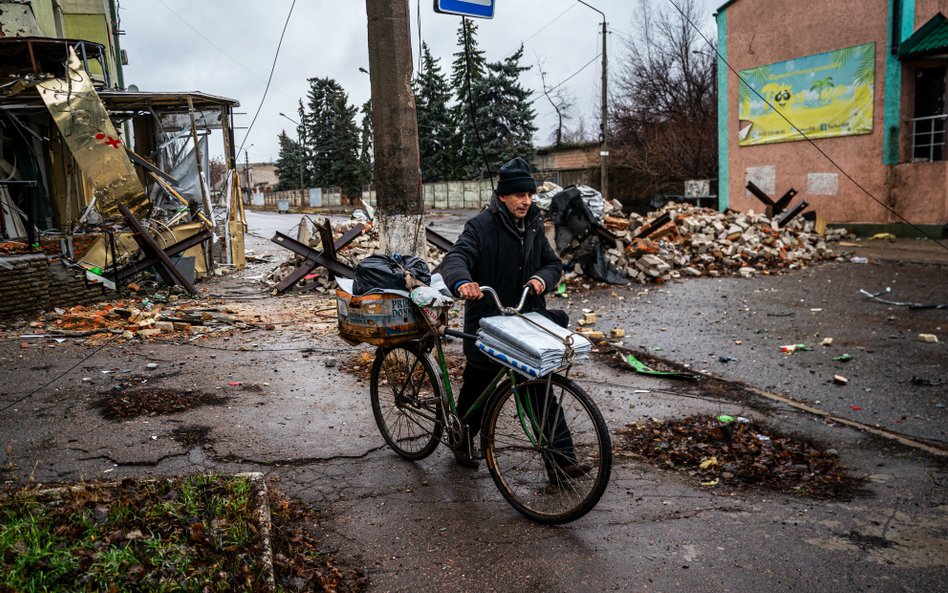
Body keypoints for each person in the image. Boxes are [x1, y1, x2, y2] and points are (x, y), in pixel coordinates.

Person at [441, 157, 581, 477]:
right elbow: (456, 258)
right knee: (479, 389)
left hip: (526, 320)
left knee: (538, 389)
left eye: (529, 195)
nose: (526, 201)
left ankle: (562, 460)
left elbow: (552, 264)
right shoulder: (480, 226)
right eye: (519, 195)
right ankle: (461, 439)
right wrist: (463, 282)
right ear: (503, 196)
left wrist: (541, 279)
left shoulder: (533, 223)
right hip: (488, 323)